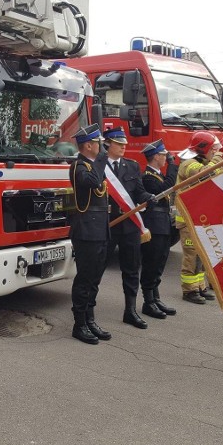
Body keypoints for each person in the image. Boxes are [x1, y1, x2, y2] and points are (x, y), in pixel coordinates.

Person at [102, 127, 154, 328]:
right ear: (108, 144)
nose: (124, 147)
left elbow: (138, 192)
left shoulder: (132, 166)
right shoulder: (98, 166)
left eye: (125, 144)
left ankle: (130, 310)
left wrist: (147, 197)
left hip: (129, 227)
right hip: (107, 225)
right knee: (96, 269)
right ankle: (88, 311)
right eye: (119, 143)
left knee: (131, 269)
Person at [68, 124, 110, 345]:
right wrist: (102, 159)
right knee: (85, 278)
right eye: (99, 143)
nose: (102, 147)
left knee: (95, 278)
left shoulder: (93, 166)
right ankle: (79, 324)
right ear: (88, 145)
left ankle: (90, 319)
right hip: (86, 231)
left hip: (100, 229)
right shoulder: (78, 166)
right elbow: (92, 182)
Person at [175, 132, 222, 305]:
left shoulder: (202, 162)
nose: (215, 152)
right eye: (213, 149)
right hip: (187, 220)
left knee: (201, 256)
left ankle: (200, 286)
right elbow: (203, 174)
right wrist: (218, 158)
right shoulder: (188, 164)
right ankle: (189, 290)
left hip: (199, 219)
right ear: (204, 149)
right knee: (191, 256)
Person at [139, 139, 179, 319]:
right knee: (151, 261)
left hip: (162, 222)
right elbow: (165, 188)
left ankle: (156, 298)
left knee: (160, 261)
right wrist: (173, 165)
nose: (166, 158)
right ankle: (148, 301)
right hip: (153, 224)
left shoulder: (158, 175)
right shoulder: (148, 176)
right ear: (155, 156)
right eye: (164, 155)